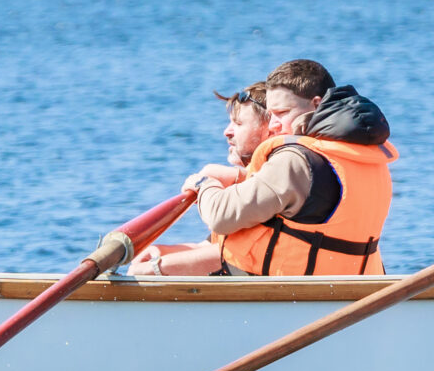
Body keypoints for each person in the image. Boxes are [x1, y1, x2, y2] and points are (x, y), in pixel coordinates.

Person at [187, 59, 397, 276]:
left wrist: (203, 184)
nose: (273, 124)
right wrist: (242, 175)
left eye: (282, 113)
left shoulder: (296, 159)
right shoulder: (363, 154)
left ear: (316, 104)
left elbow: (222, 216)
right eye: (271, 114)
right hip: (354, 289)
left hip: (293, 296)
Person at [135, 85, 270, 278]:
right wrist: (160, 251)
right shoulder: (245, 182)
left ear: (270, 130)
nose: (227, 132)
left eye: (238, 124)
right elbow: (209, 247)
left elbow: (235, 254)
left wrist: (157, 267)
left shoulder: (273, 186)